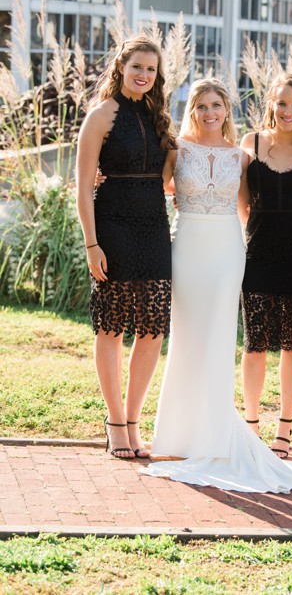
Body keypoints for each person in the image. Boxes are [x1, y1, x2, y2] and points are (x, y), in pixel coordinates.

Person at [141, 78, 292, 493]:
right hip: (187, 247)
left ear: (226, 110)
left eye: (216, 104)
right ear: (193, 110)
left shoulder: (241, 157)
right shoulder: (176, 150)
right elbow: (157, 187)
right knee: (186, 339)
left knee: (220, 339)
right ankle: (177, 435)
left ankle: (214, 434)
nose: (209, 112)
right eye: (201, 105)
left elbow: (250, 204)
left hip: (227, 251)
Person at [75, 35, 176, 460]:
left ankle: (134, 421)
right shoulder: (100, 116)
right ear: (121, 67)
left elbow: (173, 177)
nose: (144, 75)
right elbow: (81, 186)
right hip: (112, 224)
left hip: (154, 225)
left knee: (152, 328)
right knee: (112, 326)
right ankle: (115, 421)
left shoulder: (160, 119)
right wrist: (91, 243)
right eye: (137, 66)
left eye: (151, 69)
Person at [239, 74, 292, 459]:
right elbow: (241, 202)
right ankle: (251, 426)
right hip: (258, 249)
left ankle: (285, 428)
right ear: (270, 104)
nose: (288, 111)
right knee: (255, 344)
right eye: (281, 103)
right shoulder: (251, 143)